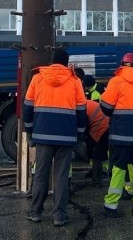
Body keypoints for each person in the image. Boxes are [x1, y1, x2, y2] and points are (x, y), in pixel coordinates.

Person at [23, 49, 87, 227]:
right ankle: (60, 216)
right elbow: (82, 111)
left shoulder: (38, 78)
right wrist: (79, 134)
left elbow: (27, 107)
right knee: (60, 176)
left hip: (42, 136)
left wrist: (30, 132)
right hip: (66, 137)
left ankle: (35, 212)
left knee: (41, 175)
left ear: (52, 61)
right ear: (66, 63)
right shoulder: (75, 81)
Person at [100, 52, 133, 219]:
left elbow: (106, 107)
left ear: (122, 64)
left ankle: (111, 206)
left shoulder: (116, 80)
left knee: (119, 169)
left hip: (122, 133)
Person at [85, 98, 110, 187]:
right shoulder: (86, 103)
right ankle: (96, 176)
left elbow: (84, 124)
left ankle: (97, 181)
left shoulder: (81, 106)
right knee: (97, 153)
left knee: (97, 155)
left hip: (102, 128)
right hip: (104, 125)